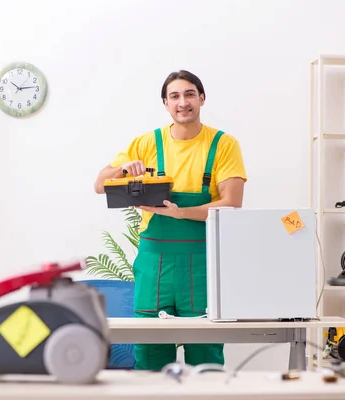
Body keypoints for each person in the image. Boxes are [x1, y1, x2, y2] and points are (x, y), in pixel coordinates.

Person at [94, 70, 247, 371]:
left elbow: (232, 203)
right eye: (174, 96)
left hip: (203, 261)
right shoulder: (147, 143)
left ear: (201, 99)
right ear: (165, 103)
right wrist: (123, 170)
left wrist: (180, 212)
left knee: (206, 352)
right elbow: (100, 184)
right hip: (154, 264)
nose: (183, 102)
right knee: (150, 350)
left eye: (189, 94)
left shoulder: (223, 144)